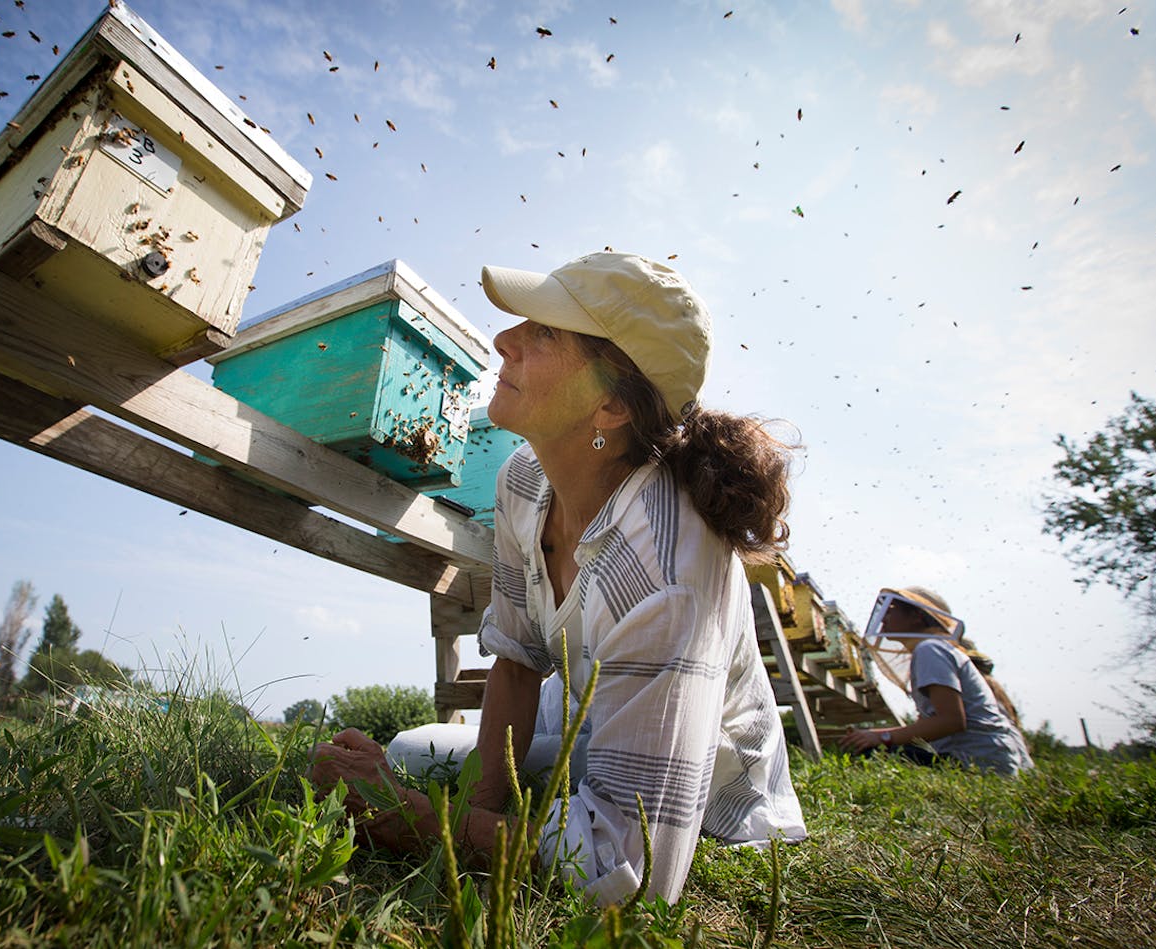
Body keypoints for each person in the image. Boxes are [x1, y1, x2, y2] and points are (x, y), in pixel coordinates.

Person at [308, 251, 807, 905]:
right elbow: (518, 660)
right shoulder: (523, 478)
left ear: (608, 405)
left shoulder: (668, 568)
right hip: (582, 729)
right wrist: (480, 808)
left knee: (404, 779)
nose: (503, 339)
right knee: (408, 748)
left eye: (543, 333)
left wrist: (415, 820)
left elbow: (631, 873)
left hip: (702, 784)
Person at [844, 586, 1034, 776]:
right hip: (984, 760)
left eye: (891, 611)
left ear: (916, 616)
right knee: (871, 746)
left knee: (871, 753)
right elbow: (928, 725)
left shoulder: (930, 650)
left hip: (978, 764)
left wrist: (882, 737)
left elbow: (951, 721)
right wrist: (873, 735)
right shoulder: (935, 648)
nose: (883, 617)